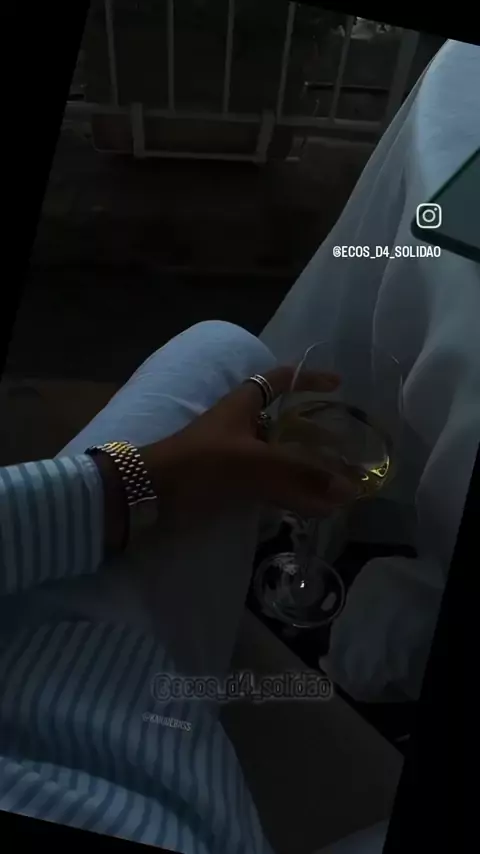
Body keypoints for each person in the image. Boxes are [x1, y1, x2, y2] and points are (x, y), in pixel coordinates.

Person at [0, 320, 361, 853]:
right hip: (184, 798)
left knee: (229, 350)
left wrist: (137, 483)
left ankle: (258, 529)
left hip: (35, 648)